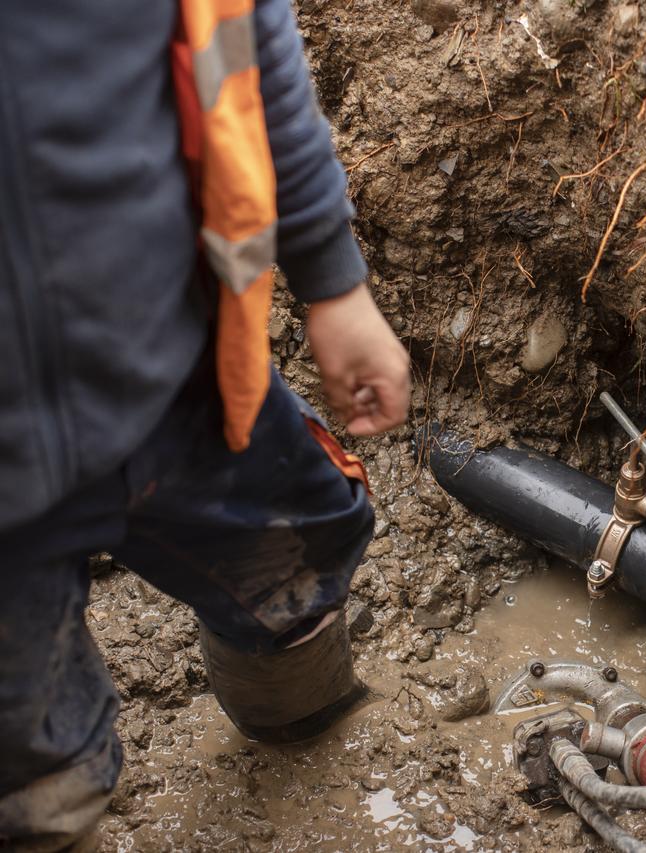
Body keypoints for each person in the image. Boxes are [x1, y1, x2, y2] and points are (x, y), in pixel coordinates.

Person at [0, 0, 410, 848]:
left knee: (304, 559)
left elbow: (240, 43)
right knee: (31, 762)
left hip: (181, 377)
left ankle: (296, 726)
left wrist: (333, 281)